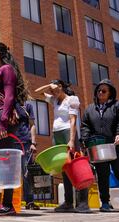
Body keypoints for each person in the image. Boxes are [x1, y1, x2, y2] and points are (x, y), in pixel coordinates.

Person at [0, 42, 29, 216]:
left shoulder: (6, 69)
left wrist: (2, 122)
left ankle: (7, 204)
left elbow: (9, 96)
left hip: (4, 117)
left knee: (5, 160)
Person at [35, 80, 91, 213]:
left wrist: (71, 140)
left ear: (61, 87)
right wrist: (49, 86)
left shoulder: (71, 99)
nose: (53, 92)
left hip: (68, 133)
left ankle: (83, 202)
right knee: (64, 167)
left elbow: (72, 120)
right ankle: (68, 202)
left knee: (75, 165)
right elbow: (36, 92)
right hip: (57, 134)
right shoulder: (54, 101)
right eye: (52, 91)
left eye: (55, 89)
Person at [81, 79, 119, 212]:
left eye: (104, 91)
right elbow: (85, 126)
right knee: (102, 174)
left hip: (116, 145)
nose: (101, 92)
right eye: (99, 90)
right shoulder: (90, 108)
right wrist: (85, 139)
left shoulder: (117, 106)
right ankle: (105, 203)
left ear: (110, 92)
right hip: (99, 146)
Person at [14, 101, 39, 210]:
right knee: (12, 174)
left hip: (25, 142)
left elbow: (32, 124)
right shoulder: (9, 102)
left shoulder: (27, 105)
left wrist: (33, 143)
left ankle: (29, 201)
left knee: (27, 173)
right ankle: (10, 201)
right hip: (11, 142)